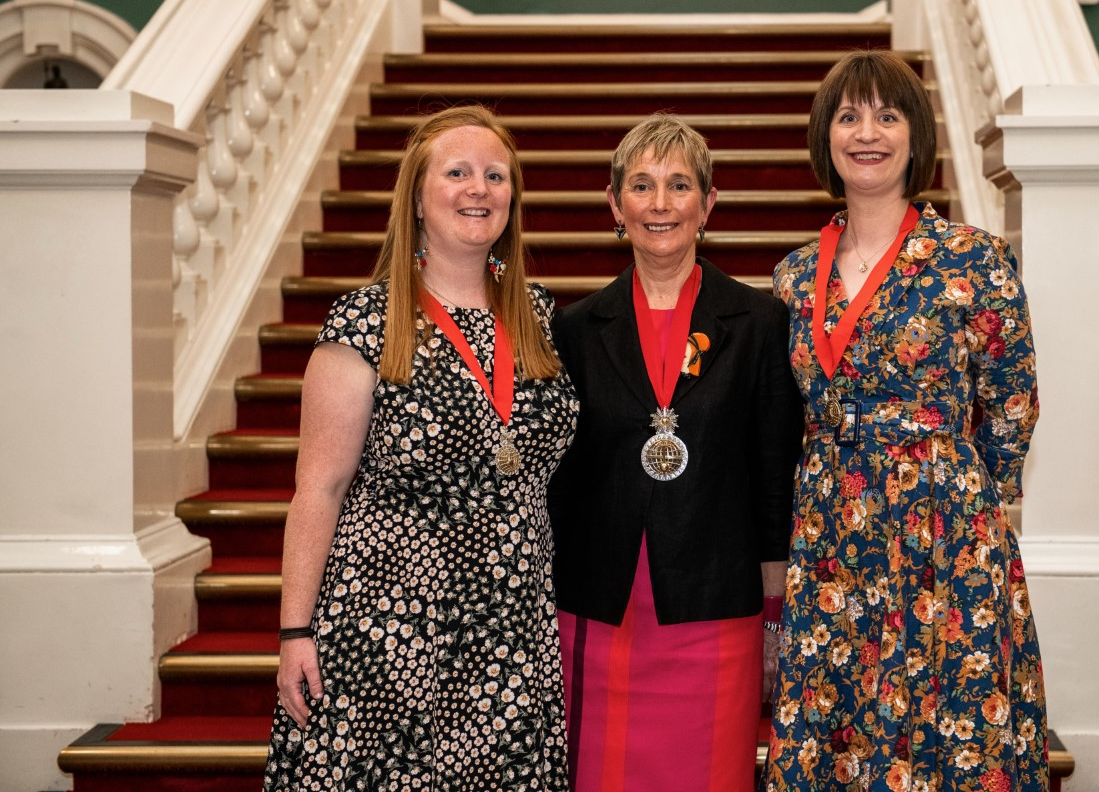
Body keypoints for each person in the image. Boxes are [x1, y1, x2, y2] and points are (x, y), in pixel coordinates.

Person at [263, 105, 579, 790]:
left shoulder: (541, 317)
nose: (480, 188)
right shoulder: (366, 320)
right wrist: (295, 633)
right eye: (458, 171)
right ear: (416, 195)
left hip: (509, 625)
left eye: (496, 175)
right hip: (389, 623)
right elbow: (317, 487)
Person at [763, 51, 1049, 791]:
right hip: (832, 525)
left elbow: (1013, 398)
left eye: (888, 116)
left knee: (945, 723)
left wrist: (966, 490)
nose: (868, 133)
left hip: (942, 529)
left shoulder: (972, 259)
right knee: (841, 719)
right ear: (826, 136)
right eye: (850, 116)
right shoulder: (795, 275)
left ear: (915, 136)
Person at [549, 113, 803, 792]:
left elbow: (774, 480)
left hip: (714, 609)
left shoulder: (758, 322)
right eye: (641, 185)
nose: (660, 203)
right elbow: (560, 481)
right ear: (614, 205)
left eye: (679, 185)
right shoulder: (573, 327)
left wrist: (775, 613)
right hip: (600, 608)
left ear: (708, 205)